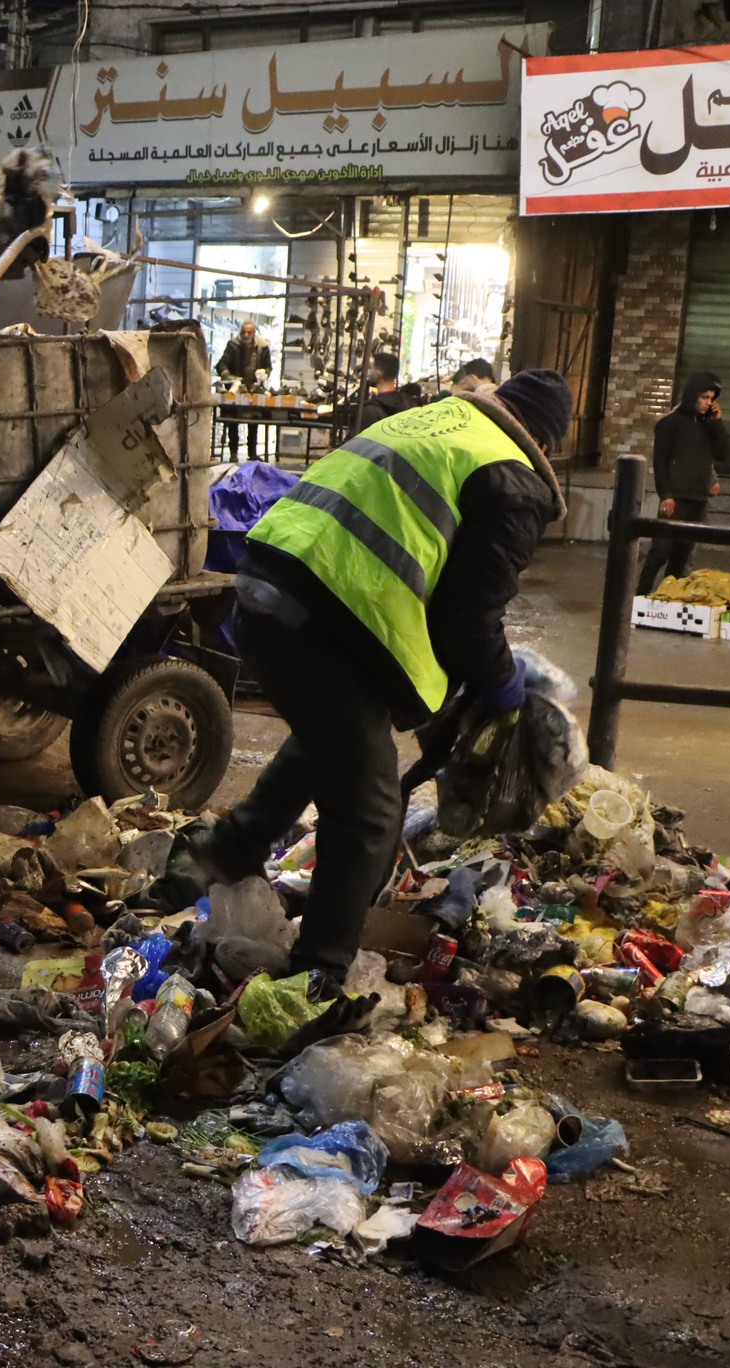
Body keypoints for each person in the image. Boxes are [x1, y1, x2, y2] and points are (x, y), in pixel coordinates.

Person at [198, 370, 573, 987]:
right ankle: (316, 976)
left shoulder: (436, 420)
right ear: (547, 444)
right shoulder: (515, 482)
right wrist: (505, 686)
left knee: (337, 732)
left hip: (267, 586)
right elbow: (469, 621)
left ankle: (230, 848)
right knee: (369, 813)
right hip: (326, 618)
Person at [638, 372, 727, 595]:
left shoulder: (708, 425)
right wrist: (665, 494)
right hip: (676, 497)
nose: (708, 403)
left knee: (683, 554)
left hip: (699, 498)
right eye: (704, 397)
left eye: (711, 399)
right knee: (660, 551)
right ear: (692, 395)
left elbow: (722, 453)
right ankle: (641, 595)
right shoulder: (670, 423)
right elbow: (660, 461)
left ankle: (669, 597)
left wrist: (718, 424)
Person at [217, 321, 275, 460]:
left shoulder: (262, 346)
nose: (245, 335)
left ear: (254, 332)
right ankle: (233, 453)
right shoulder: (233, 345)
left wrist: (265, 373)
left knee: (253, 420)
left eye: (249, 332)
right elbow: (222, 363)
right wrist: (226, 374)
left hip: (253, 387)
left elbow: (268, 366)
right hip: (236, 387)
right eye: (243, 331)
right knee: (233, 420)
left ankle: (252, 452)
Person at [356, 351, 422, 430]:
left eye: (371, 368)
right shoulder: (410, 404)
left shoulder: (371, 411)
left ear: (379, 372)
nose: (369, 372)